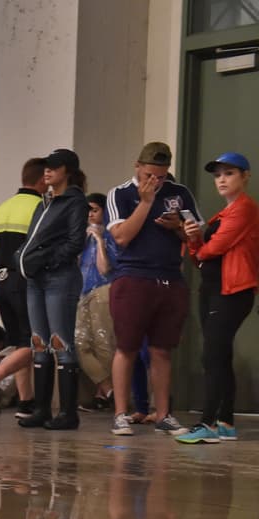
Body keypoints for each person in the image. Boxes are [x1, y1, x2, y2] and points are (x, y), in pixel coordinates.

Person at [105, 141, 198, 437]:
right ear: (137, 166)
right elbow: (121, 237)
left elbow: (195, 234)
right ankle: (120, 414)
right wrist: (145, 203)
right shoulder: (120, 194)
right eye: (149, 175)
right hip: (133, 277)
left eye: (160, 176)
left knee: (162, 350)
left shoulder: (179, 193)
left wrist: (178, 227)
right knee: (127, 347)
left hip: (170, 278)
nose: (155, 181)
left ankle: (163, 414)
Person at [177, 152, 259, 444]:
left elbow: (214, 249)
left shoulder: (244, 209)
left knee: (212, 355)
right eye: (217, 175)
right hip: (214, 290)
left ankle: (208, 423)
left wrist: (198, 245)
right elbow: (200, 256)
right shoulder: (223, 215)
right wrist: (193, 238)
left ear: (245, 176)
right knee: (219, 355)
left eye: (229, 173)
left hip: (232, 291)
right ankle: (225, 421)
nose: (222, 180)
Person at [14, 148, 88, 430]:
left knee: (61, 342)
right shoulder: (44, 203)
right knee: (39, 343)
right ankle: (42, 409)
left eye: (54, 167)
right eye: (46, 166)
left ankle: (68, 413)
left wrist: (47, 261)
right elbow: (31, 240)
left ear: (67, 171)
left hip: (59, 278)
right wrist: (22, 259)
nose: (47, 171)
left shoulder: (74, 202)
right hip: (36, 280)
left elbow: (75, 242)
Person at [0, 158, 45, 419]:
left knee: (18, 344)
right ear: (42, 180)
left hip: (2, 282)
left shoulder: (2, 209)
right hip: (24, 281)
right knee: (35, 343)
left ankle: (25, 403)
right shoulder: (41, 207)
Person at [75, 192, 118, 411]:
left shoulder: (111, 234)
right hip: (82, 291)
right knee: (79, 343)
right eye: (87, 211)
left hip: (104, 290)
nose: (90, 215)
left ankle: (109, 393)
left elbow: (104, 268)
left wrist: (100, 240)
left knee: (104, 344)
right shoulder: (81, 236)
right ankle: (108, 388)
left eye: (94, 210)